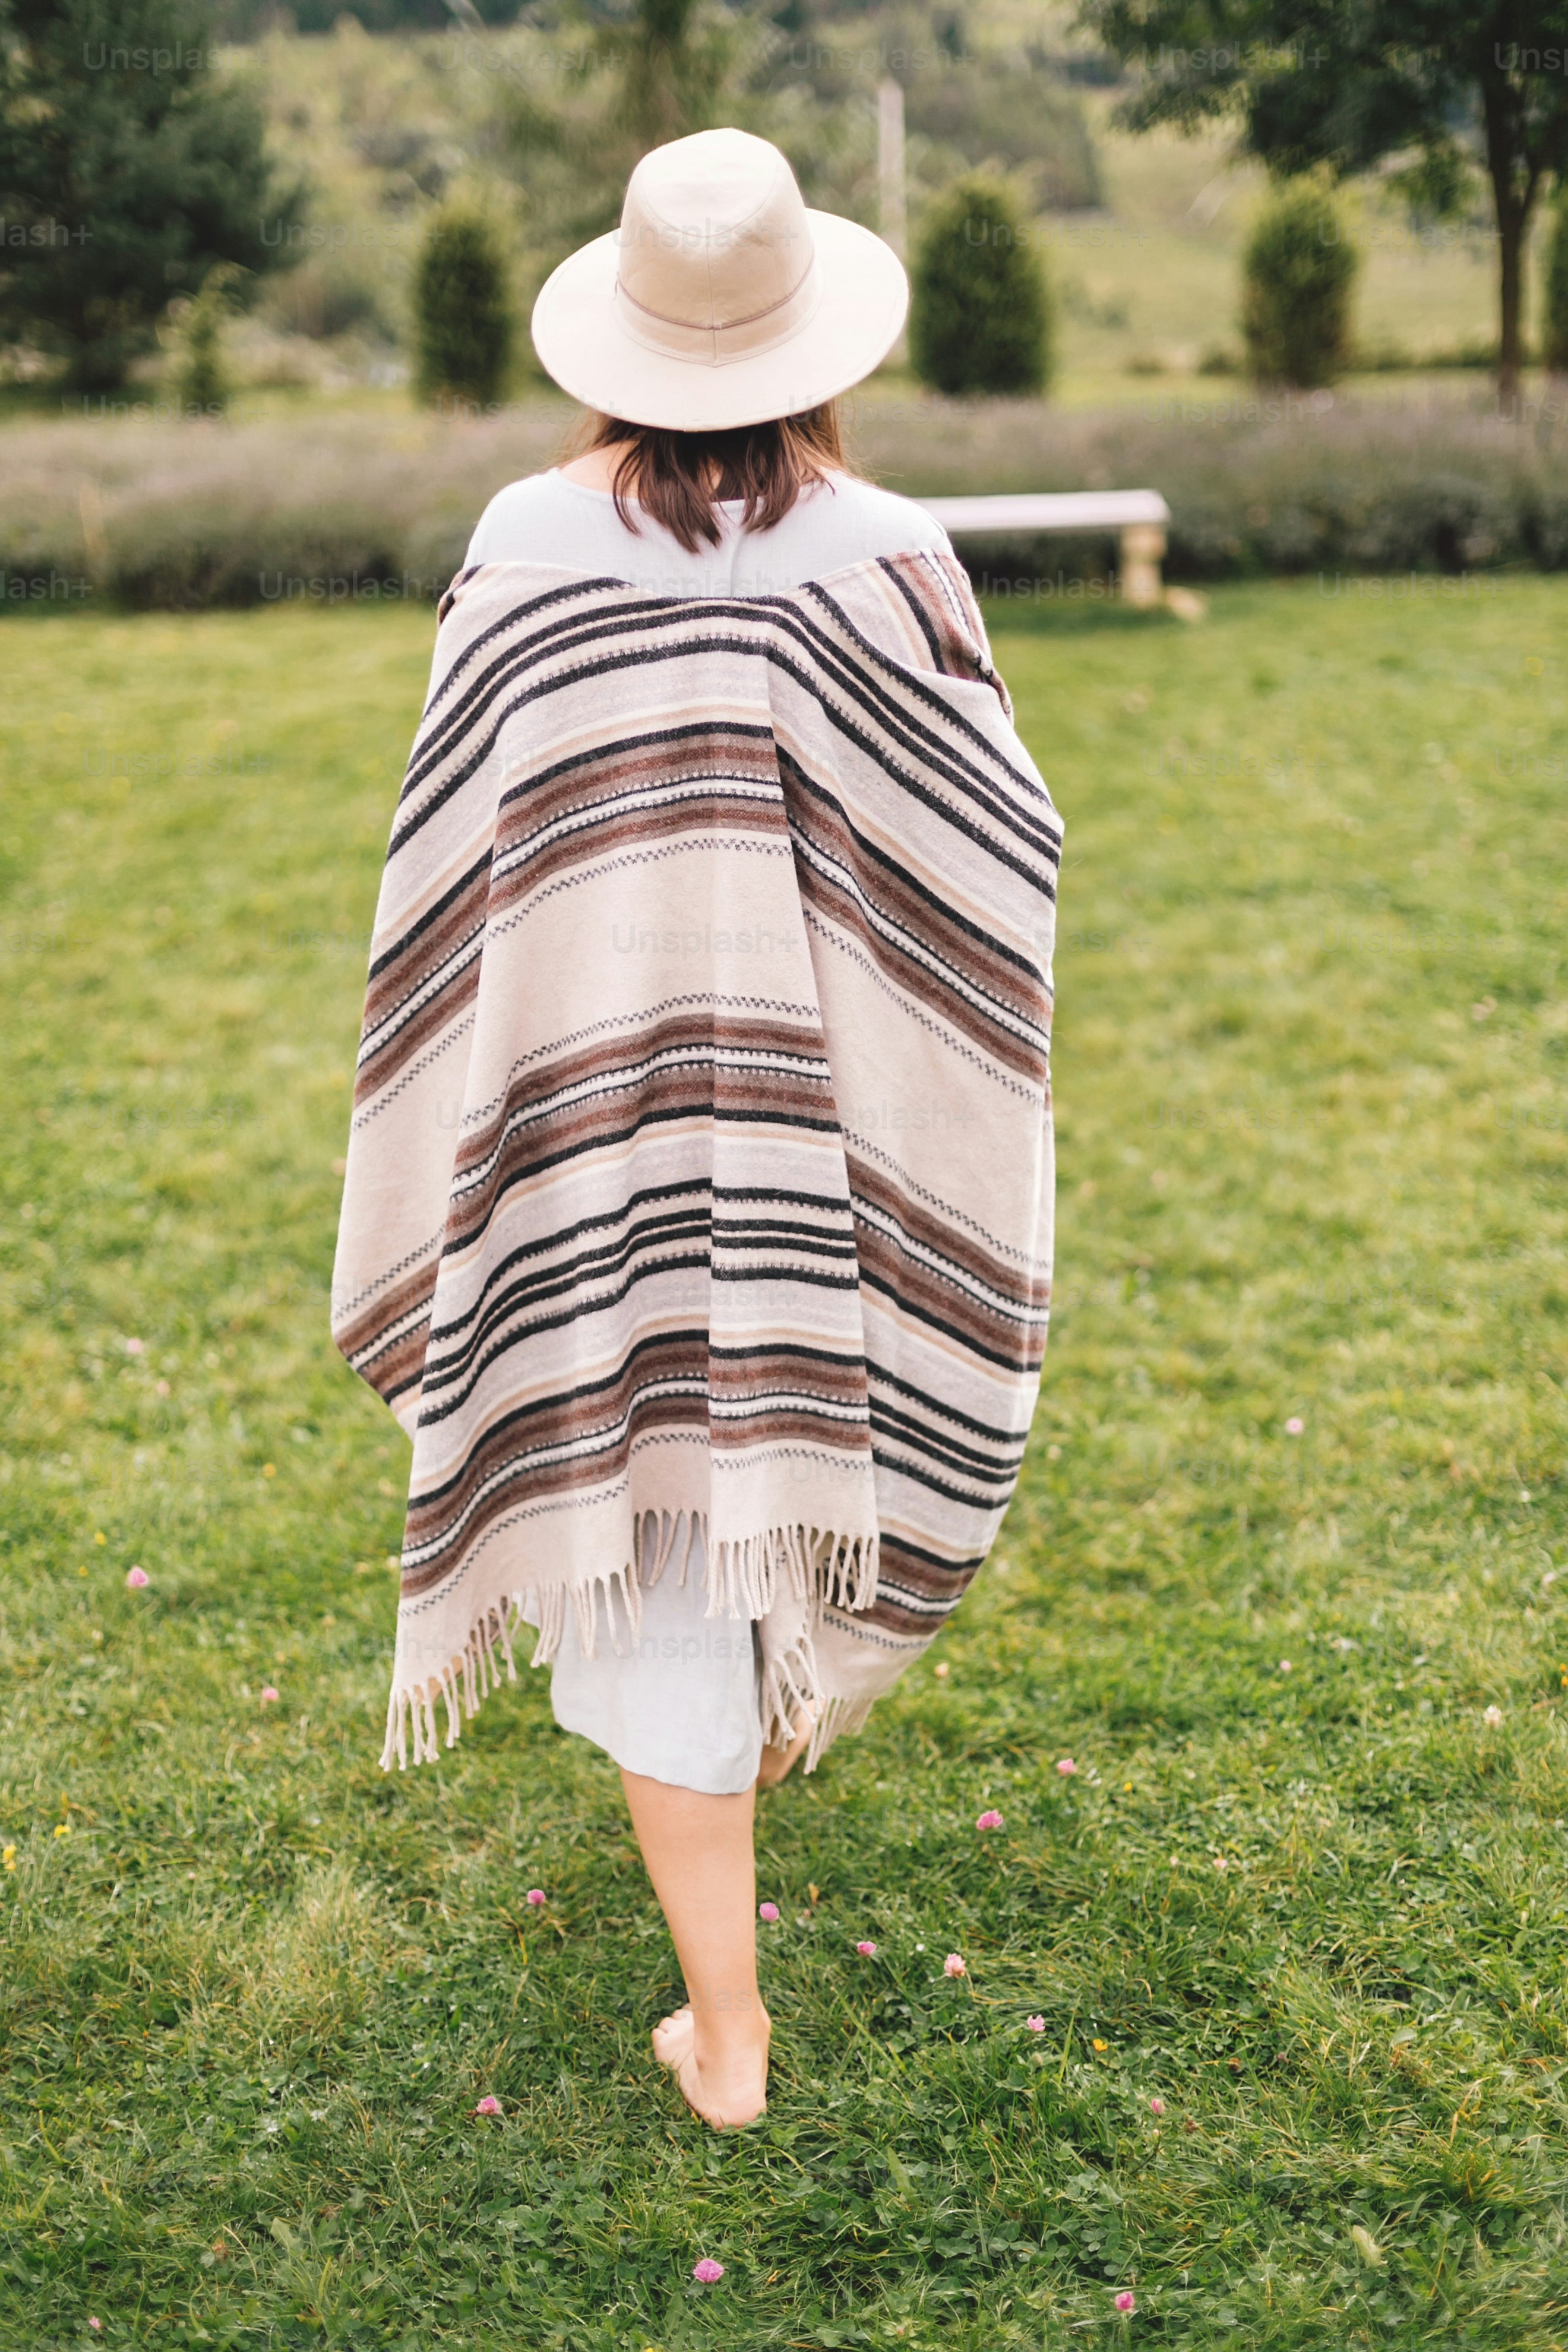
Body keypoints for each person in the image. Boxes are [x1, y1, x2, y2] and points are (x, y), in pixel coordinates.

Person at [333, 127, 1060, 2131]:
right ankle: (727, 2012)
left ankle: (724, 2025)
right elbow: (1002, 857)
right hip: (817, 1144)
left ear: (622, 343)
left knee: (656, 1534)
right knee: (754, 1490)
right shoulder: (889, 552)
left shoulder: (524, 542)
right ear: (813, 339)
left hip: (591, 1130)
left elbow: (454, 864)